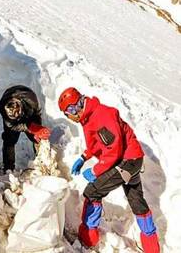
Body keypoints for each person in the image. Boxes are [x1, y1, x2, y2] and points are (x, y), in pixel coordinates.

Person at [58, 87, 160, 252]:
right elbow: (97, 143)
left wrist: (96, 170)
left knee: (92, 192)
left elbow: (113, 150)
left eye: (67, 113)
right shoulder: (88, 117)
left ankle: (88, 240)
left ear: (74, 108)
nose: (68, 117)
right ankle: (151, 247)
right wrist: (84, 157)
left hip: (126, 161)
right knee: (136, 201)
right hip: (131, 159)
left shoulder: (102, 116)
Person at [0, 85, 51, 172]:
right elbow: (12, 126)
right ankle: (8, 168)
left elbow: (37, 115)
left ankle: (42, 162)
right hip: (12, 121)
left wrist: (37, 129)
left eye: (17, 113)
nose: (16, 116)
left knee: (36, 137)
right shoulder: (2, 106)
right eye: (12, 115)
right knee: (9, 139)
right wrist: (28, 127)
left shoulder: (31, 102)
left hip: (29, 113)